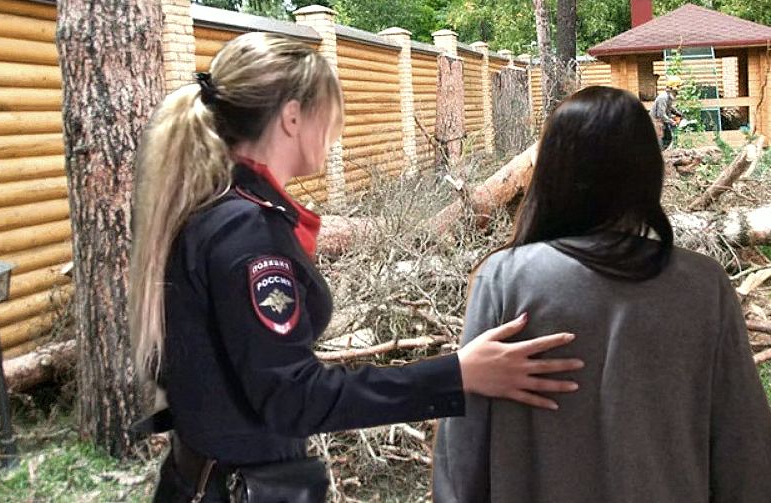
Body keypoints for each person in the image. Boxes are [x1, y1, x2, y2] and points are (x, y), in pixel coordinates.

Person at [129, 32, 583, 503]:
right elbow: (295, 398)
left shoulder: (227, 210)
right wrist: (457, 374)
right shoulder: (247, 232)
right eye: (331, 112)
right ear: (291, 117)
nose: (338, 129)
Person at [433, 86, 771, 503]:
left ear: (551, 173)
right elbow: (746, 453)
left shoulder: (503, 281)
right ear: (650, 171)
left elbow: (461, 450)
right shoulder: (704, 287)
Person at [651, 76, 683, 149]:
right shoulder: (663, 97)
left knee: (668, 138)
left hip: (662, 122)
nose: (679, 89)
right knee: (660, 142)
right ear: (674, 87)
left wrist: (677, 113)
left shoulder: (668, 97)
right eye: (678, 86)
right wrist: (672, 122)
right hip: (656, 122)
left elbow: (669, 107)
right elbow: (661, 114)